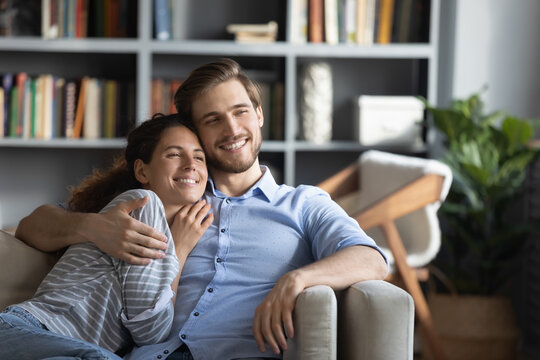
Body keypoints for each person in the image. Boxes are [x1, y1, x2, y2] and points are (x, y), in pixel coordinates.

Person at [16, 59, 389, 360]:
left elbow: (371, 259)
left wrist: (297, 280)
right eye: (213, 119)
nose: (231, 129)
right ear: (195, 131)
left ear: (259, 114)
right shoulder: (169, 193)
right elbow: (32, 226)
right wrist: (92, 227)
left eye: (240, 111)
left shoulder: (303, 204)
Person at [1, 113, 213, 359]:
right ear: (142, 171)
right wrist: (180, 249)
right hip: (28, 330)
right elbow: (151, 331)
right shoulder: (142, 206)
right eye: (174, 154)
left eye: (199, 156)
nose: (191, 164)